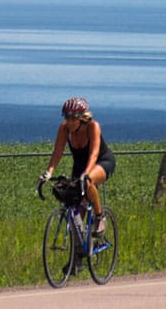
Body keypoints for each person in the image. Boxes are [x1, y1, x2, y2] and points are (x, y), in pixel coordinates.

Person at [39, 97, 116, 237]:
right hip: (80, 165)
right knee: (76, 218)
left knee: (88, 181)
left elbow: (93, 154)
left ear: (81, 117)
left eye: (73, 118)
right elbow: (57, 152)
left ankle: (100, 217)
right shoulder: (64, 129)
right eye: (67, 117)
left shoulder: (93, 126)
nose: (69, 122)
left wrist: (86, 174)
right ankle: (78, 255)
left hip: (101, 161)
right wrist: (49, 172)